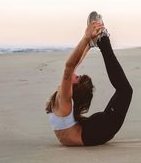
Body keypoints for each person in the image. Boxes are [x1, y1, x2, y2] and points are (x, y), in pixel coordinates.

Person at [46, 11, 133, 146]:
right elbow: (70, 67)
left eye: (77, 77)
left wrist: (88, 44)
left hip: (89, 129)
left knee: (125, 91)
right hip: (99, 131)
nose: (76, 74)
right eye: (78, 77)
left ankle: (100, 40)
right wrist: (86, 38)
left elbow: (71, 65)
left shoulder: (63, 99)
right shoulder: (64, 100)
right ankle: (103, 39)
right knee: (125, 91)